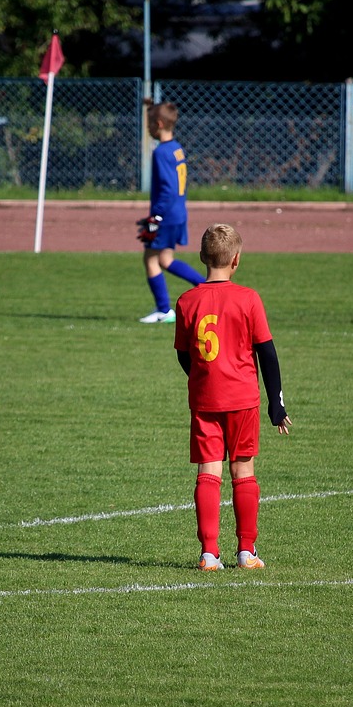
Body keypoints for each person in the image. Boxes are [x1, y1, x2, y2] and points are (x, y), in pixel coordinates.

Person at [174, 223, 291, 571]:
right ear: (236, 260)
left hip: (205, 399)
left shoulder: (186, 301)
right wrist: (276, 402)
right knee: (243, 470)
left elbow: (184, 354)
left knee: (207, 471)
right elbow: (267, 354)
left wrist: (202, 377)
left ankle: (209, 554)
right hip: (243, 399)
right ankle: (246, 551)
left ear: (200, 258)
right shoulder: (248, 298)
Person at [138, 101, 207, 324]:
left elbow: (167, 189)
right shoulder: (177, 148)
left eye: (149, 124)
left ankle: (163, 310)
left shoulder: (161, 152)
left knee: (150, 259)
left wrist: (155, 217)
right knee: (166, 259)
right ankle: (207, 288)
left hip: (165, 215)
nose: (147, 128)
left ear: (158, 124)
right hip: (178, 213)